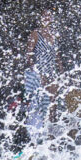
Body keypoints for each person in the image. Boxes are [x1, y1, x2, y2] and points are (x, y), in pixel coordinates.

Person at [23, 12, 59, 141]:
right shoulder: (35, 33)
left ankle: (50, 135)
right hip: (39, 71)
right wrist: (38, 74)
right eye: (44, 15)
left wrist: (61, 72)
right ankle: (36, 136)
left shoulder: (54, 34)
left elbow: (57, 55)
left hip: (51, 71)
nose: (47, 18)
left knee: (52, 104)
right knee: (39, 103)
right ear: (40, 17)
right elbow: (29, 54)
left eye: (49, 16)